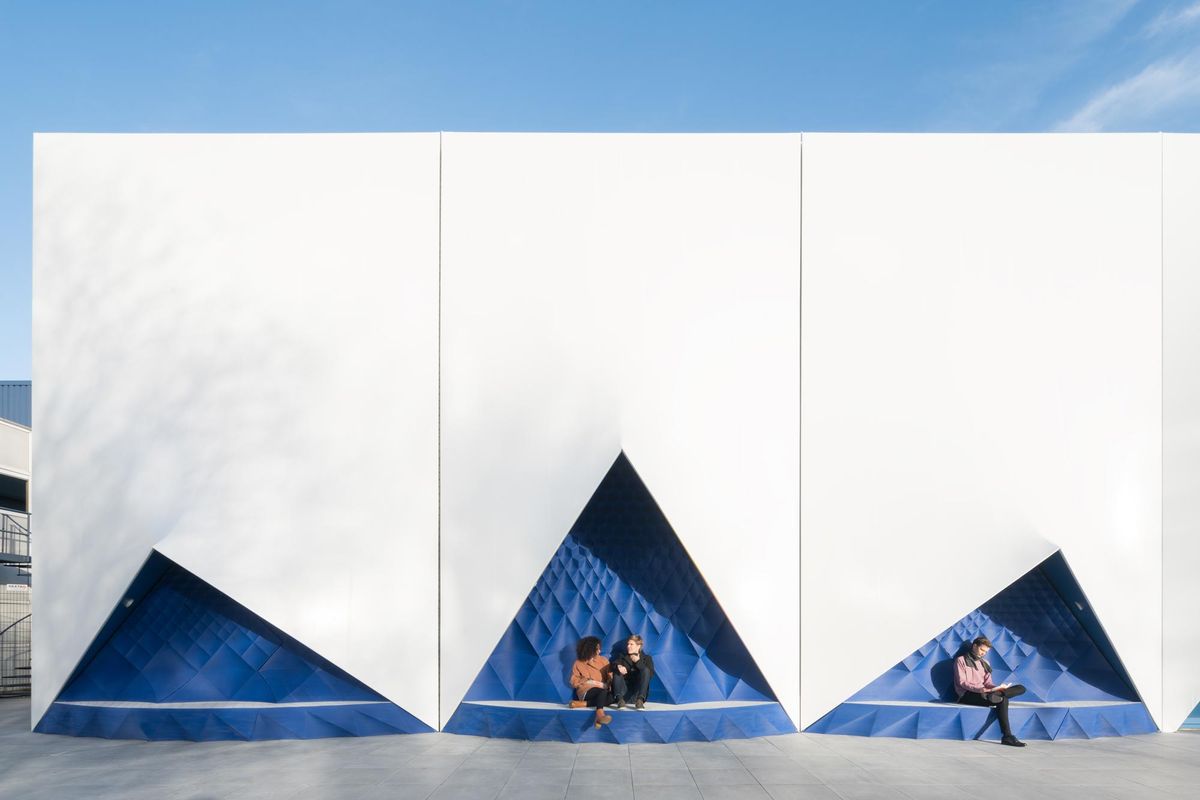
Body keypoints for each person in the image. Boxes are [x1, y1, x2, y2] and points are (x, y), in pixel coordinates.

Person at [954, 635, 1028, 747]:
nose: (983, 653)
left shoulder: (985, 663)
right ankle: (1007, 736)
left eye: (986, 651)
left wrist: (998, 688)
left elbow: (988, 683)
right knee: (1003, 699)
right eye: (982, 650)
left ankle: (998, 694)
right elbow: (962, 682)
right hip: (967, 694)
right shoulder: (961, 660)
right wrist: (983, 689)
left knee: (1021, 688)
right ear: (974, 646)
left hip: (987, 693)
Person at [568, 636, 614, 728]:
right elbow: (574, 681)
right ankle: (600, 714)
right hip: (586, 690)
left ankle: (581, 704)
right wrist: (588, 682)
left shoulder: (603, 660)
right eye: (597, 649)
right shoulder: (578, 662)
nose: (599, 651)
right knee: (602, 692)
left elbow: (610, 676)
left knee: (612, 697)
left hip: (602, 688)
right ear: (590, 649)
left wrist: (608, 683)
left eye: (599, 649)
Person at [610, 634, 655, 710]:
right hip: (623, 694)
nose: (628, 646)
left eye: (631, 644)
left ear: (638, 646)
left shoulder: (647, 658)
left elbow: (650, 675)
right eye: (628, 644)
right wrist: (619, 666)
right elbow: (613, 665)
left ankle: (640, 700)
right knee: (617, 670)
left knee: (646, 670)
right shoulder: (622, 656)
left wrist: (638, 662)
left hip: (637, 694)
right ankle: (619, 699)